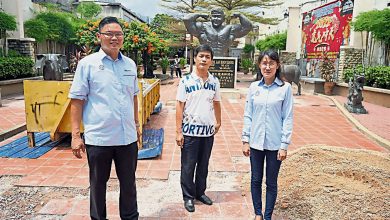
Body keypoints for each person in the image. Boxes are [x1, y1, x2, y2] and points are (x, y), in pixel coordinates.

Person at [69, 16, 140, 220]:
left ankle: (130, 217)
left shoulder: (130, 64)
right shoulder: (87, 64)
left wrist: (136, 125)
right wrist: (75, 136)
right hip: (99, 138)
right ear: (99, 36)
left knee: (129, 183)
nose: (114, 38)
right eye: (109, 34)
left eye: (118, 34)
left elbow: (133, 96)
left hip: (127, 137)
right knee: (98, 184)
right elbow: (76, 100)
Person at [241, 50, 293, 220]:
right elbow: (248, 114)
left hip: (274, 144)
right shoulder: (254, 87)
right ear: (259, 65)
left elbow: (287, 117)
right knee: (255, 179)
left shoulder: (285, 88)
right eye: (264, 63)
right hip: (255, 142)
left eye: (271, 63)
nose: (267, 66)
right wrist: (245, 140)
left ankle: (268, 216)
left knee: (271, 183)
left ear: (277, 65)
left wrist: (284, 145)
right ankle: (258, 214)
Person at [176, 44, 222, 212]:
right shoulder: (186, 81)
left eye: (207, 57)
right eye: (201, 56)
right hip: (189, 132)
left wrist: (219, 121)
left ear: (211, 61)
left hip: (207, 132)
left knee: (203, 165)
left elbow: (216, 102)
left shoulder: (214, 81)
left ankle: (200, 192)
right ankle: (188, 196)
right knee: (188, 166)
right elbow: (180, 106)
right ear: (195, 58)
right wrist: (178, 131)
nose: (204, 59)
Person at [183, 8, 252, 57]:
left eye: (218, 17)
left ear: (223, 18)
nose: (216, 19)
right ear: (211, 17)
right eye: (214, 16)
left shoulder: (230, 29)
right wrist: (199, 14)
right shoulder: (202, 27)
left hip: (223, 58)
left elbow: (248, 27)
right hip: (207, 58)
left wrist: (240, 15)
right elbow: (186, 19)